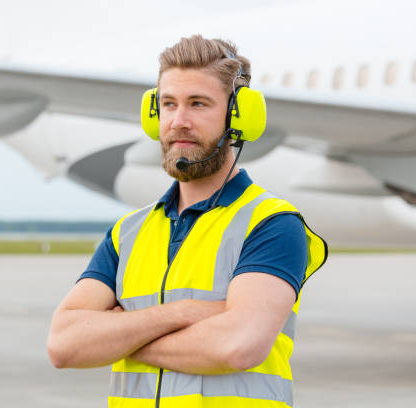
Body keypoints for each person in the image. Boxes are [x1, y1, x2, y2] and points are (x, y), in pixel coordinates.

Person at [47, 35, 327, 408]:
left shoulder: (272, 224)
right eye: (168, 104)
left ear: (237, 116)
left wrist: (118, 335)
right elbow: (64, 345)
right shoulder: (128, 233)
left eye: (198, 104)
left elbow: (236, 346)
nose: (179, 121)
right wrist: (184, 313)